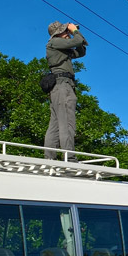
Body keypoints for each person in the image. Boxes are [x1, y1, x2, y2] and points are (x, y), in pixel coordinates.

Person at [44, 21, 88, 160]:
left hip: (60, 87)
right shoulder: (55, 42)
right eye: (65, 31)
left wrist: (74, 34)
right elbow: (78, 40)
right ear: (59, 33)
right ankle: (70, 159)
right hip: (63, 86)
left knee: (55, 126)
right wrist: (74, 31)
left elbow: (81, 51)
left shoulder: (61, 48)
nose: (67, 33)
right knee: (67, 124)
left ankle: (49, 158)